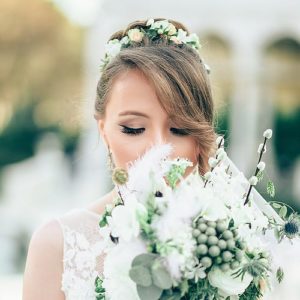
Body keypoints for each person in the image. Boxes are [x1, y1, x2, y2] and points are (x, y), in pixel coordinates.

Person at [22, 17, 217, 299]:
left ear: (201, 137)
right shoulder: (57, 246)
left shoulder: (231, 245)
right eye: (134, 129)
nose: (157, 149)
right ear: (104, 131)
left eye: (179, 129)